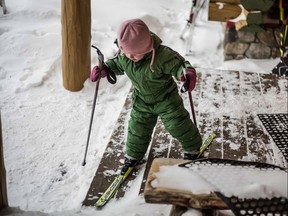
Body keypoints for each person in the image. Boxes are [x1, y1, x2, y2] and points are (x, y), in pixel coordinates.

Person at [90, 18, 202, 174]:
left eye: (135, 54)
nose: (130, 56)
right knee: (137, 128)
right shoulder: (125, 56)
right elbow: (116, 64)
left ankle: (193, 146)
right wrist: (105, 69)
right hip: (141, 100)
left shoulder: (162, 55)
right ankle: (133, 155)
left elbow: (179, 65)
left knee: (177, 124)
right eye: (126, 52)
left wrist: (186, 74)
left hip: (166, 99)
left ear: (147, 47)